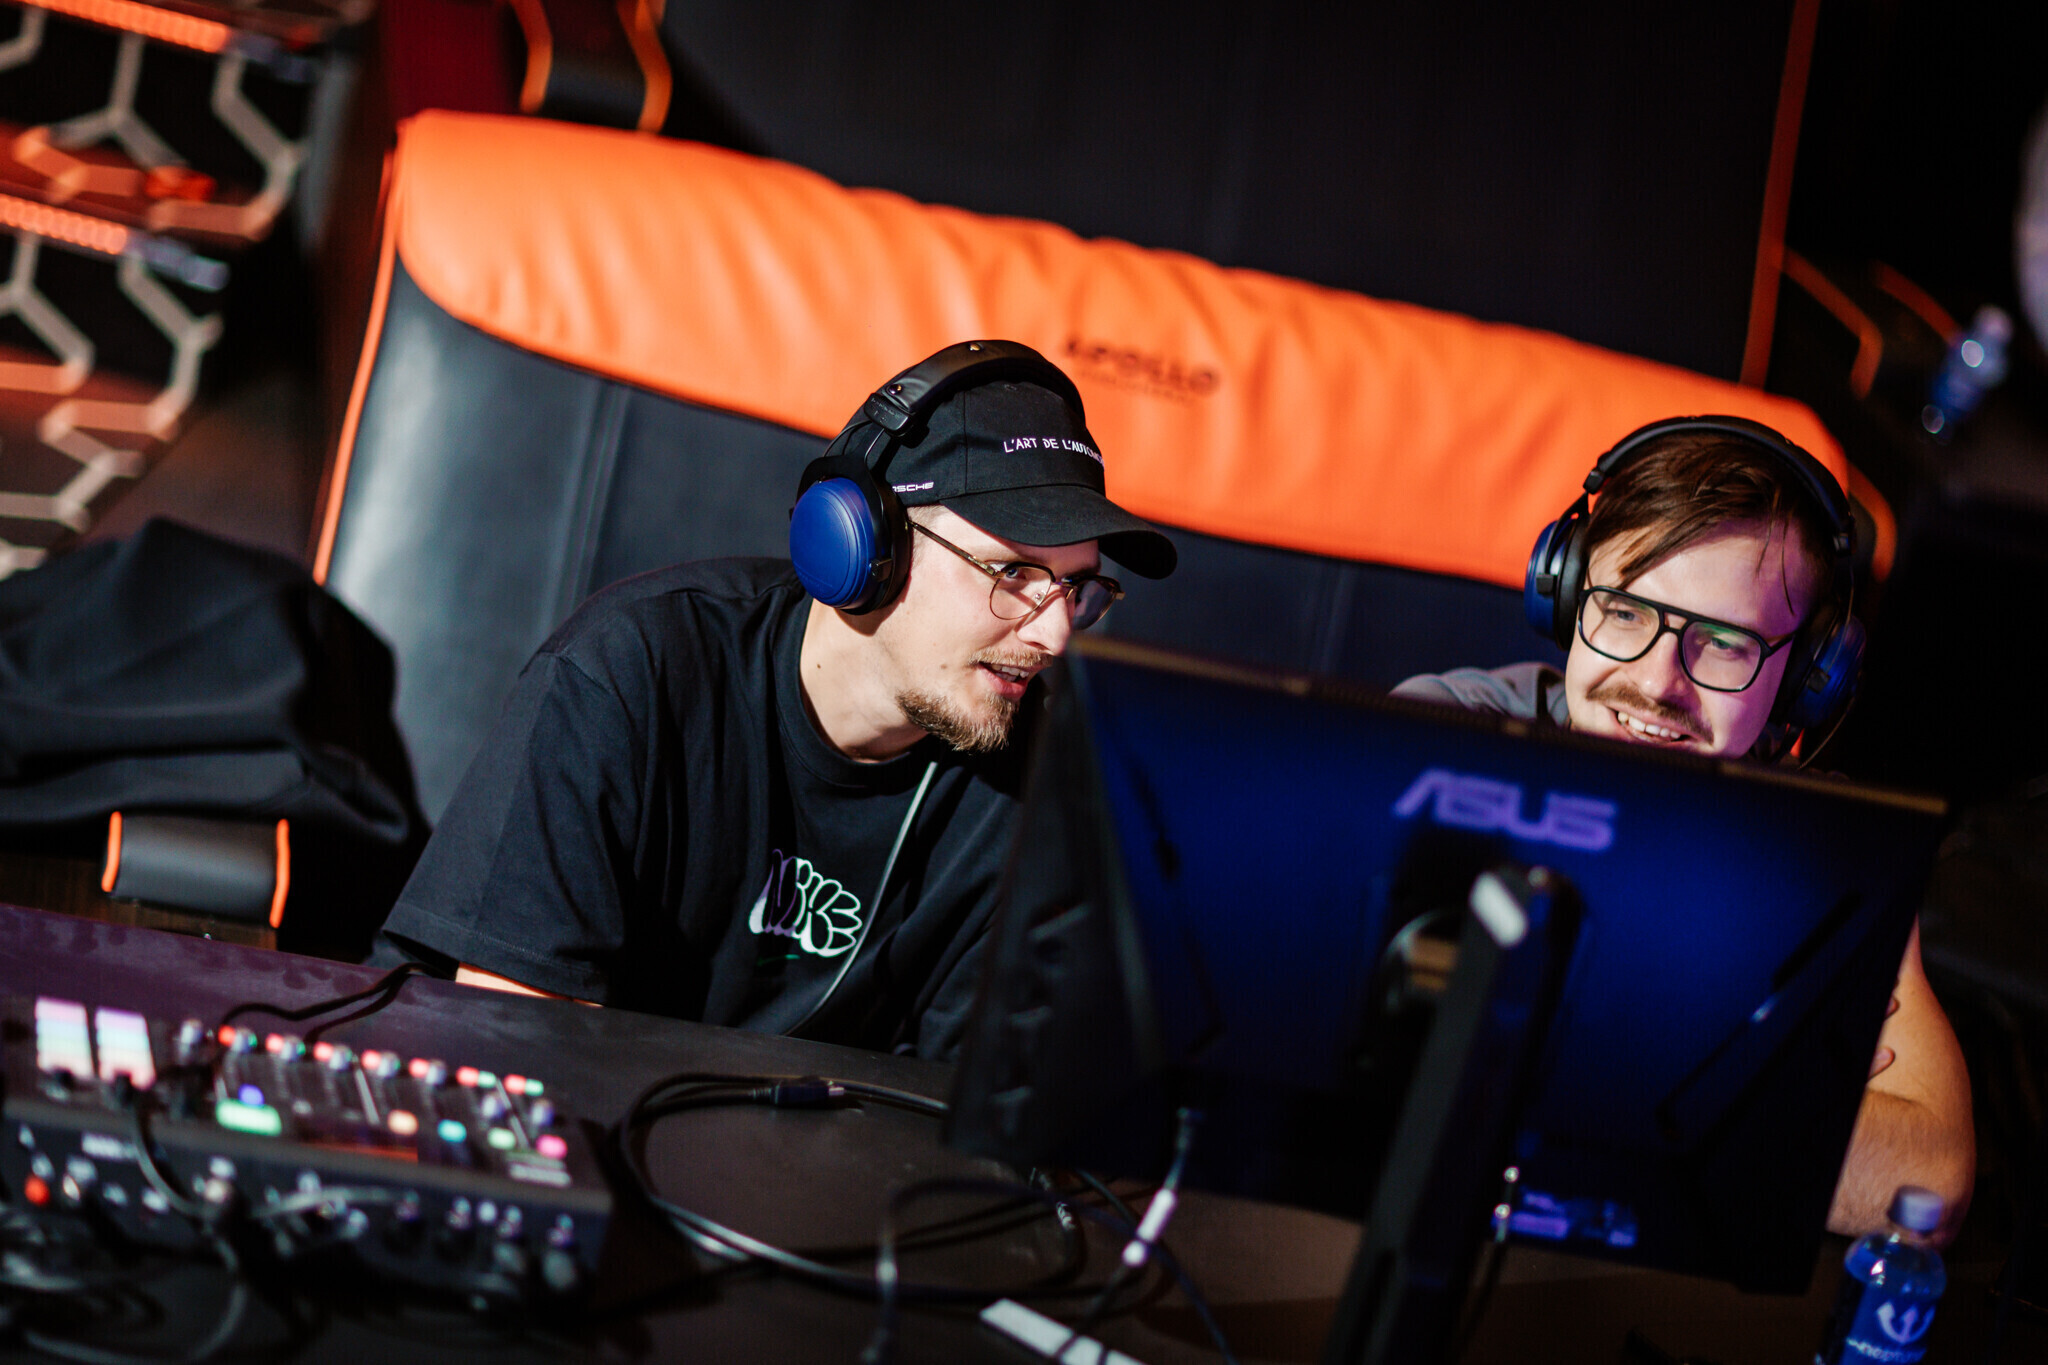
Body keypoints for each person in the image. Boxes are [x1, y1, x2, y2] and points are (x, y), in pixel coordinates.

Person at [373, 341, 1175, 1060]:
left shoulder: (1035, 785)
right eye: (1014, 574)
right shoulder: (629, 674)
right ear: (864, 546)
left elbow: (962, 1126)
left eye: (1077, 588)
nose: (1056, 634)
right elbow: (515, 1060)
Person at [1394, 416, 1975, 1243]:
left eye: (1725, 643)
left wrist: (1521, 1045)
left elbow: (1926, 1183)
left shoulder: (1827, 848)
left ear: (1807, 678)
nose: (1657, 681)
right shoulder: (1443, 739)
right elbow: (1343, 1039)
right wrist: (1732, 1079)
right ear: (1566, 593)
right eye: (1626, 612)